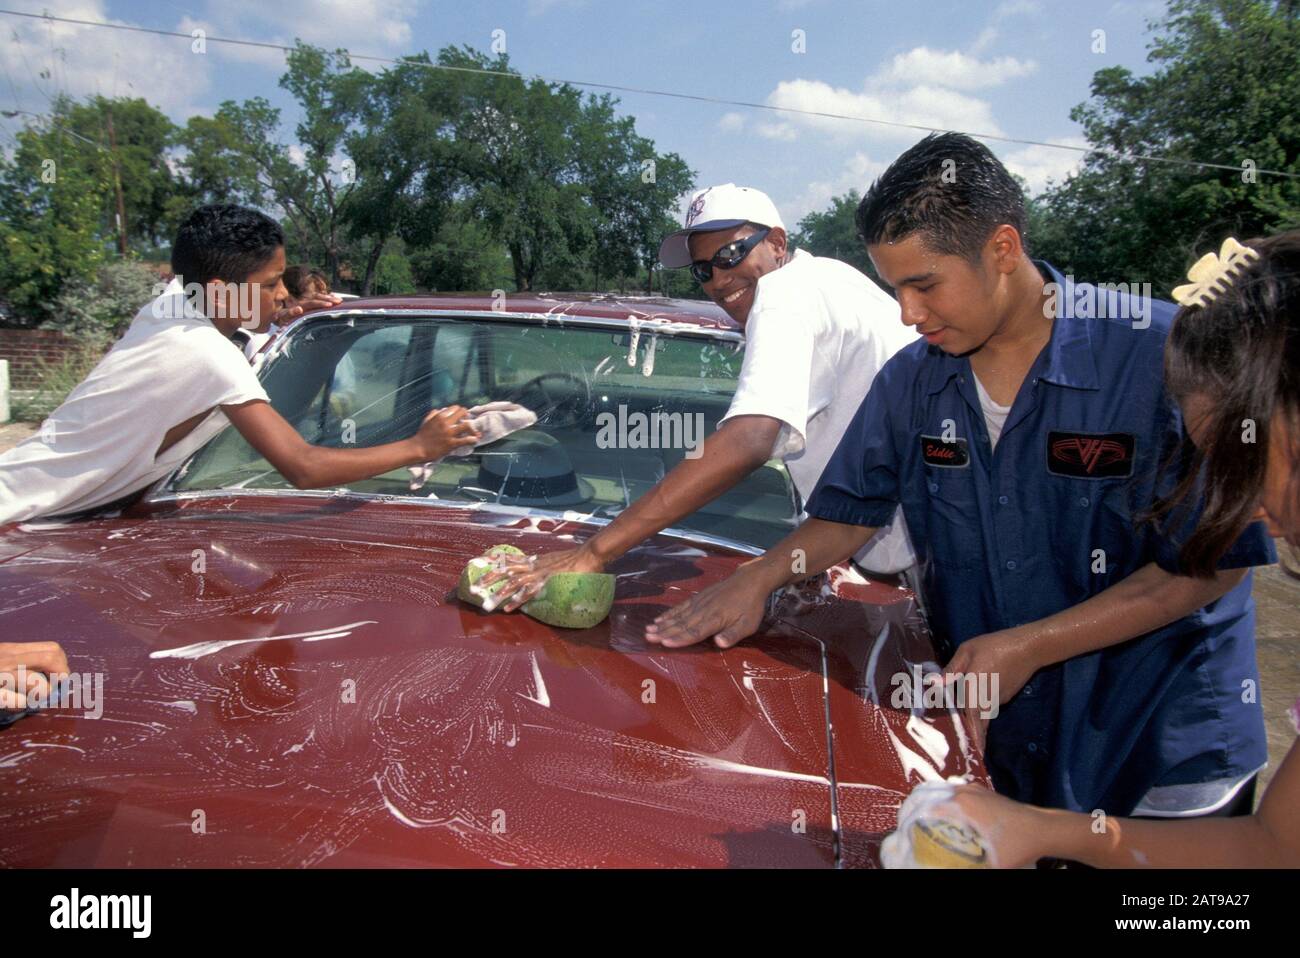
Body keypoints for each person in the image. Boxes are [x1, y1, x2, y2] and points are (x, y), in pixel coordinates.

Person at [646, 134, 1274, 822]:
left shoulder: (1161, 356)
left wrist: (1030, 645)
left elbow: (1212, 568)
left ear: (1002, 249)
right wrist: (757, 579)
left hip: (1159, 753)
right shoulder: (915, 377)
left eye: (925, 285)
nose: (909, 315)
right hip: (1002, 750)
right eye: (895, 289)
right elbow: (851, 514)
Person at [912, 232, 1300, 867]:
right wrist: (1039, 832)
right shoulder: (917, 376)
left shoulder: (1139, 350)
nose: (1249, 511)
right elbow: (1274, 847)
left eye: (1245, 463)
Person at [481, 183, 917, 608]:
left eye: (731, 254)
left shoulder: (784, 295)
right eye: (703, 269)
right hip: (909, 536)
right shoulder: (831, 277)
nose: (718, 279)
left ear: (778, 242)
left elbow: (749, 439)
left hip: (916, 558)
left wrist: (592, 553)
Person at [0, 203, 480, 526]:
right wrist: (420, 447)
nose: (285, 293)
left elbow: (226, 341)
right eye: (272, 284)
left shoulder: (168, 311)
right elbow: (304, 467)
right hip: (21, 519)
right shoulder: (207, 355)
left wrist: (274, 317)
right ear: (219, 290)